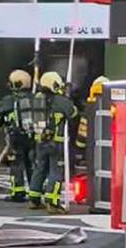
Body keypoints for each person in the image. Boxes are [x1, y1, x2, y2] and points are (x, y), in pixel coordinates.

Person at [28, 71, 80, 213]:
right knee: (56, 172)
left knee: (39, 169)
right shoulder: (61, 102)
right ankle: (53, 202)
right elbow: (74, 114)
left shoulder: (36, 99)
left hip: (39, 141)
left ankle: (34, 199)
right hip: (57, 143)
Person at [0, 69, 36, 203]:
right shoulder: (35, 99)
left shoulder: (8, 101)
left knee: (16, 165)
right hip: (32, 137)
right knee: (32, 164)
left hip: (15, 138)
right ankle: (35, 191)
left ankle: (17, 192)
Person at [74, 76, 108, 167]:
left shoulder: (88, 110)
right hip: (110, 155)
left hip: (92, 155)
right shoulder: (114, 107)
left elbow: (81, 138)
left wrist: (80, 155)